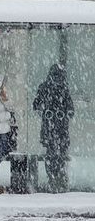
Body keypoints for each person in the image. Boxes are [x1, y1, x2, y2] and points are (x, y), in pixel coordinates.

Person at [33, 64, 74, 192]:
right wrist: (64, 113)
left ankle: (53, 178)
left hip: (50, 127)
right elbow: (71, 109)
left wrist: (45, 111)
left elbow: (36, 105)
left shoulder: (45, 87)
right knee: (59, 154)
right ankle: (58, 178)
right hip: (60, 127)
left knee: (51, 154)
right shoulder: (63, 88)